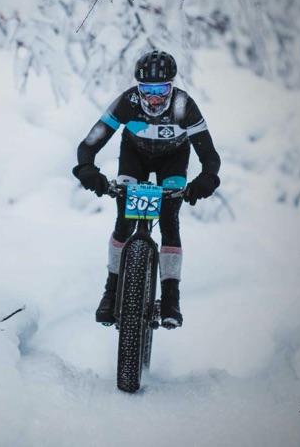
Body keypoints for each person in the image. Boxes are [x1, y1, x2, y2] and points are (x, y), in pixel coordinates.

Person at [72, 50, 221, 329]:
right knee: (123, 222)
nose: (153, 98)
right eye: (147, 90)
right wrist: (87, 169)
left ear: (172, 86)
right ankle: (111, 292)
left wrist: (207, 178)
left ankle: (170, 301)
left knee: (168, 221)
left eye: (161, 89)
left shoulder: (183, 106)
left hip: (173, 160)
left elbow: (209, 155)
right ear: (138, 88)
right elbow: (89, 144)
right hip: (135, 156)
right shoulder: (127, 102)